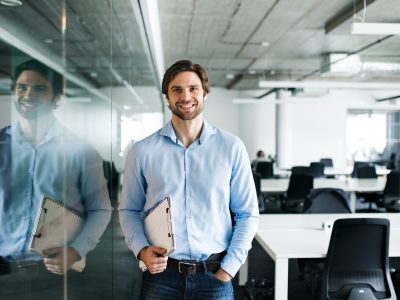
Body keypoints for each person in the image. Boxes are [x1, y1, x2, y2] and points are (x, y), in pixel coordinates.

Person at [119, 59, 259, 299]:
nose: (186, 96)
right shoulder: (142, 151)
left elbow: (247, 213)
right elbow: (129, 210)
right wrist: (142, 250)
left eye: (193, 88)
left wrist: (230, 267)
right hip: (161, 276)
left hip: (215, 275)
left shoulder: (231, 147)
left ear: (205, 93)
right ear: (167, 97)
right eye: (177, 89)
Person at [0, 59, 112, 298]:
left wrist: (75, 250)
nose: (28, 94)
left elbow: (101, 210)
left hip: (54, 276)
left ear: (56, 98)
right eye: (22, 87)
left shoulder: (81, 151)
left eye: (39, 88)